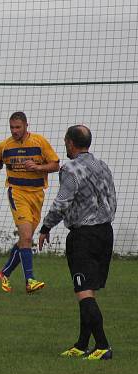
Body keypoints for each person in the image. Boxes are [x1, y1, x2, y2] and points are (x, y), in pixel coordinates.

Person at [38, 125, 116, 360]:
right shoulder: (102, 166)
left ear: (70, 143)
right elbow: (111, 197)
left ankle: (102, 346)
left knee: (83, 291)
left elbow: (62, 202)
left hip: (84, 236)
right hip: (105, 233)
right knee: (87, 289)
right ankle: (82, 344)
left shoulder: (70, 169)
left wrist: (46, 226)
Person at [0, 112, 59, 294]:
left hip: (37, 195)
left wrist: (38, 167)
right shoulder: (4, 146)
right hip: (17, 193)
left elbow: (55, 165)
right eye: (12, 127)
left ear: (27, 125)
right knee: (26, 237)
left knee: (24, 240)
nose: (14, 131)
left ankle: (4, 273)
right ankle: (30, 280)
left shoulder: (39, 142)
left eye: (18, 127)